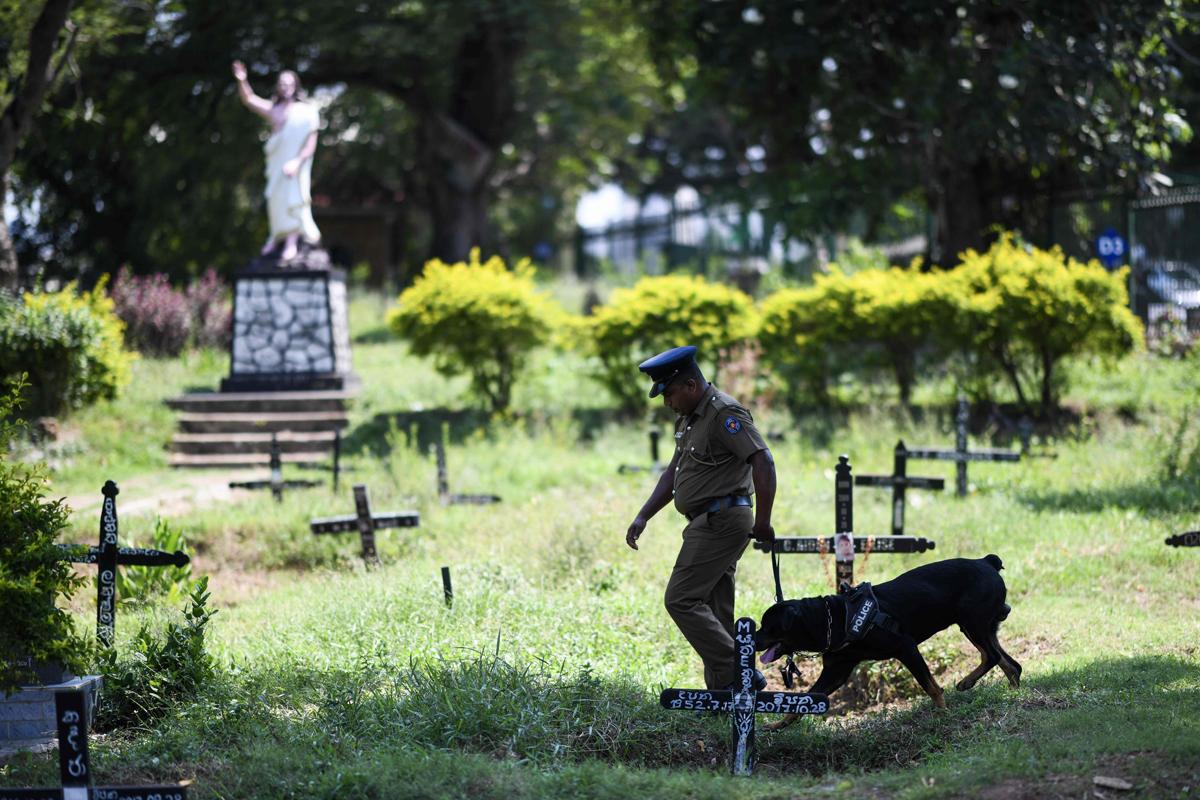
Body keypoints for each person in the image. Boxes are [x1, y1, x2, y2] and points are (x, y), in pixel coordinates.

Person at [625, 345, 777, 691]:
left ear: (691, 385)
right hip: (705, 521)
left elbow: (763, 461)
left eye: (669, 393)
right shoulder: (689, 419)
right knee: (715, 608)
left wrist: (764, 521)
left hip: (722, 521)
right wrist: (644, 515)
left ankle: (740, 672)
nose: (666, 402)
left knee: (681, 599)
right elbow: (674, 472)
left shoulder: (725, 414)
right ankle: (725, 696)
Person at [231, 60, 322, 262]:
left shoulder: (306, 112)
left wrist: (297, 162)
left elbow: (310, 144)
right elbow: (249, 99)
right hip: (276, 167)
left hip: (295, 168)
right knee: (276, 202)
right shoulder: (275, 110)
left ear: (296, 86)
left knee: (294, 200)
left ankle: (291, 242)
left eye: (289, 84)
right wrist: (242, 80)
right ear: (278, 87)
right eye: (282, 84)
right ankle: (276, 237)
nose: (285, 87)